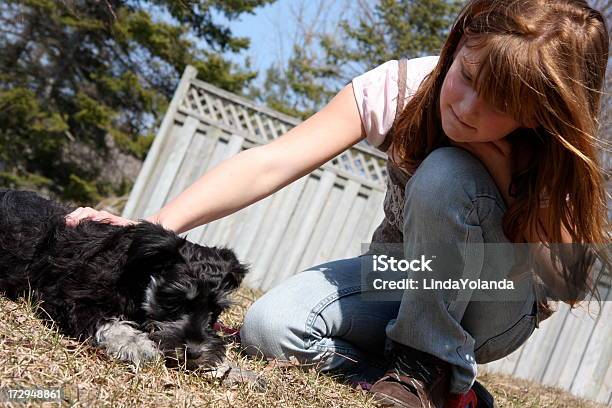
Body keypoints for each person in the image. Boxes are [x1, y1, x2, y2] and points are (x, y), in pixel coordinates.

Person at [65, 0, 610, 406]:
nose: (466, 107)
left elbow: (561, 278)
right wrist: (155, 224)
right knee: (269, 328)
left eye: (499, 105)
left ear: (538, 112)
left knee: (448, 172)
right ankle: (449, 392)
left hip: (491, 302)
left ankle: (429, 365)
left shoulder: (554, 151)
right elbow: (272, 161)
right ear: (460, 39)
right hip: (401, 275)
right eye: (465, 76)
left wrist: (496, 171)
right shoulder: (405, 88)